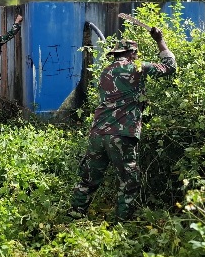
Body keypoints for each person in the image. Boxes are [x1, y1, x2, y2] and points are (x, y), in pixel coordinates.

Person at [69, 28, 177, 221]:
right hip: (122, 134)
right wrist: (160, 41)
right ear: (132, 53)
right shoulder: (136, 67)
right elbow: (170, 67)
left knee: (88, 178)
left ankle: (74, 214)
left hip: (98, 133)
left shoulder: (105, 71)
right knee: (129, 181)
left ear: (116, 54)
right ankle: (122, 224)